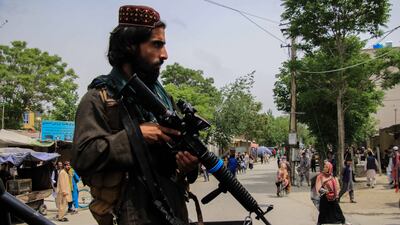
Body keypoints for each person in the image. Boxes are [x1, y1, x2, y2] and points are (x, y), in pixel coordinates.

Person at [71, 5, 199, 225]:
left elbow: (178, 159)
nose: (165, 55)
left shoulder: (162, 99)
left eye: (164, 45)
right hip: (129, 215)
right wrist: (135, 136)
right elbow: (83, 156)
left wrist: (188, 164)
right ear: (130, 46)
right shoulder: (99, 98)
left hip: (174, 213)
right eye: (156, 45)